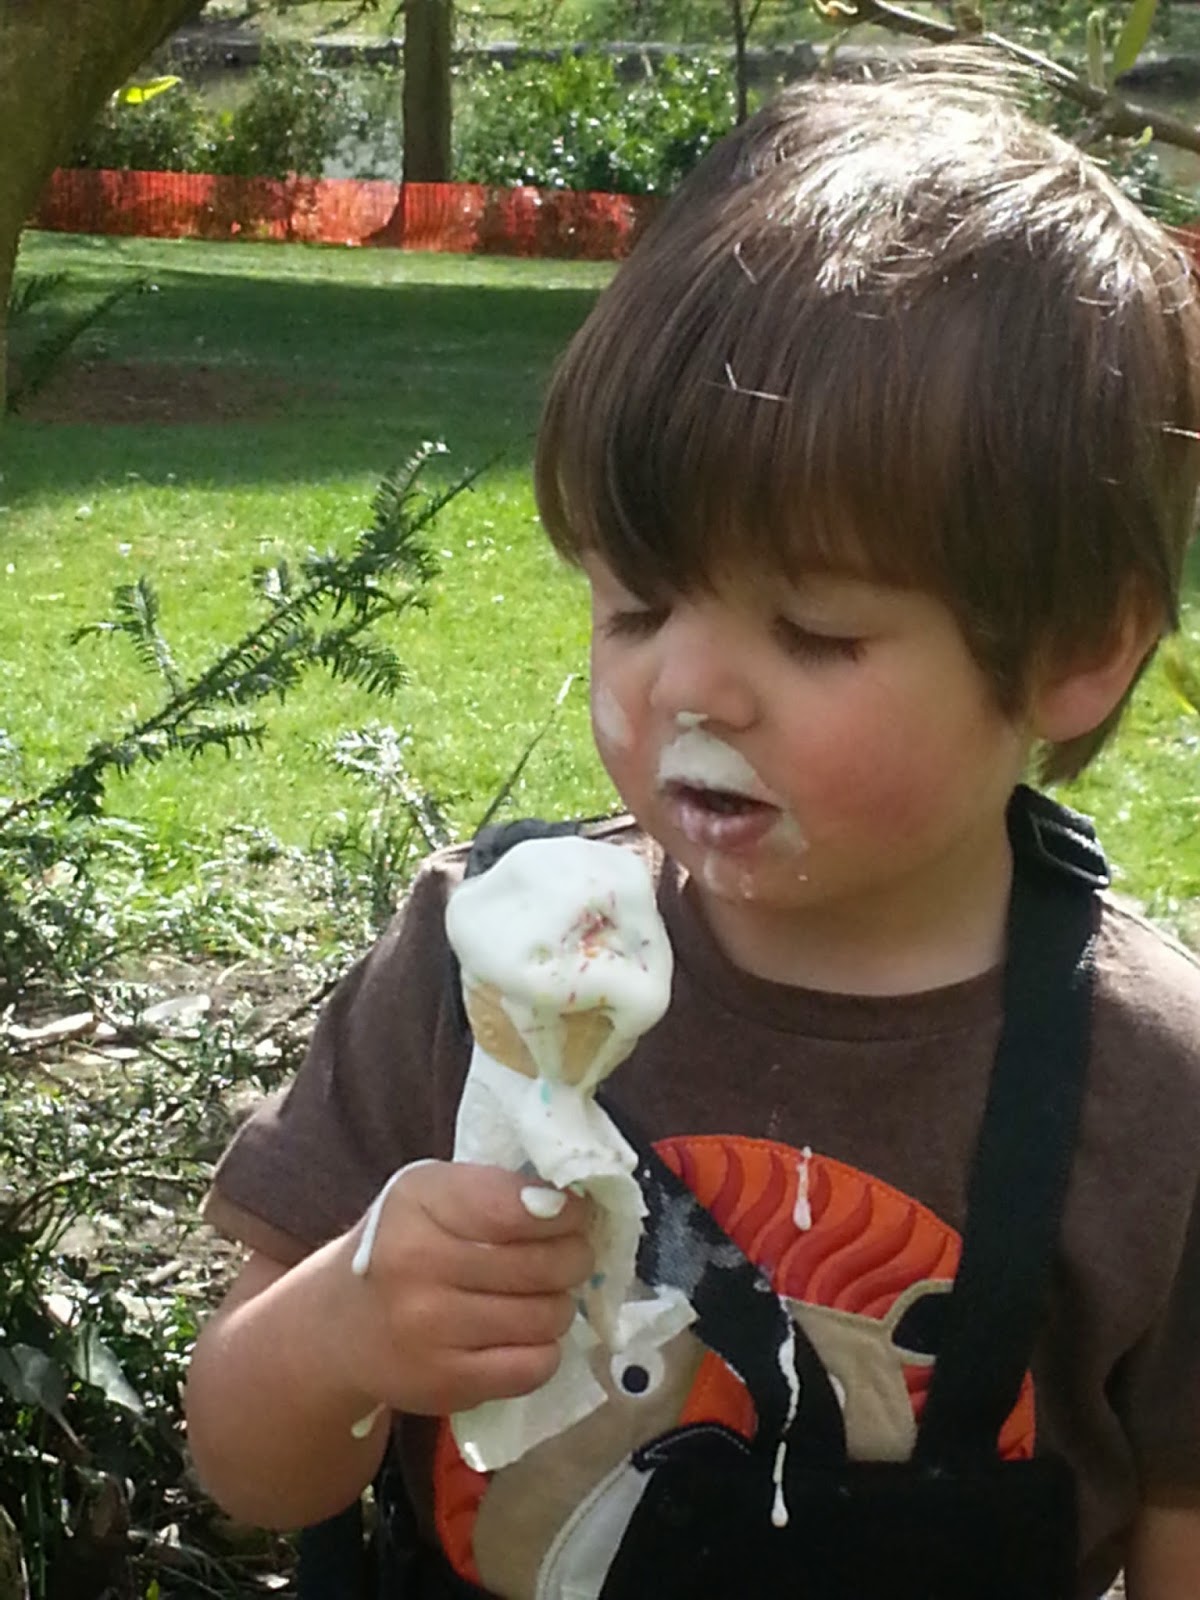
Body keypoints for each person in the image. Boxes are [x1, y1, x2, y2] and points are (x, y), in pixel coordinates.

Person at [184, 53, 1200, 1600]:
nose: (692, 688)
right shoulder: (472, 965)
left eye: (813, 631)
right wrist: (346, 1326)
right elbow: (247, 1467)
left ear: (1075, 649)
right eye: (638, 605)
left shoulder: (1153, 1093)